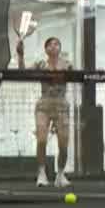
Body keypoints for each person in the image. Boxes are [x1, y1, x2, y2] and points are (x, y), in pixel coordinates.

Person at [18, 34, 72, 188]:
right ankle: (41, 174)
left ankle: (60, 174)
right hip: (44, 104)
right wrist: (21, 55)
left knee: (63, 143)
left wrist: (97, 73)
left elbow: (82, 75)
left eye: (56, 44)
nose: (53, 46)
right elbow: (23, 73)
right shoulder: (41, 64)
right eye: (50, 44)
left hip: (62, 104)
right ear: (46, 49)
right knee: (41, 139)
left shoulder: (67, 64)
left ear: (60, 48)